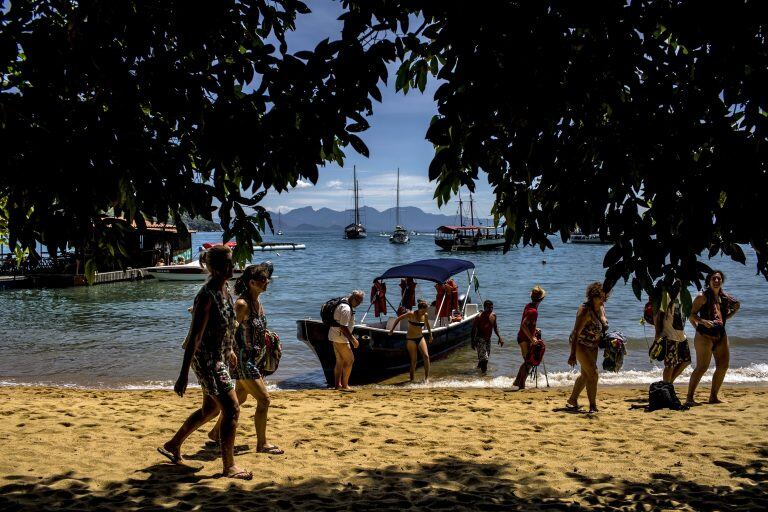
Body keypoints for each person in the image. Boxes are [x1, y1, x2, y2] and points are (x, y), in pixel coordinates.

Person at [158, 245, 252, 480]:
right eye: (228, 263)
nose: (232, 267)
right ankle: (229, 466)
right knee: (231, 409)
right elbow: (195, 337)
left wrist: (229, 349)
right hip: (207, 360)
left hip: (219, 356)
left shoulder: (225, 289)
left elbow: (228, 325)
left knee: (210, 408)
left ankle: (172, 444)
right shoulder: (206, 295)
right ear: (216, 268)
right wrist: (183, 375)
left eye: (232, 262)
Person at [207, 263, 283, 454]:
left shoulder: (258, 303)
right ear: (252, 282)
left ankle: (215, 433)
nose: (267, 282)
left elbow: (256, 329)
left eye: (267, 279)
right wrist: (230, 351)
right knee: (264, 400)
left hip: (255, 358)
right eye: (263, 279)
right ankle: (262, 444)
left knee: (240, 397)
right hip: (242, 360)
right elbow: (229, 330)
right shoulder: (242, 304)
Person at [686, 270, 741, 405]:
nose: (716, 281)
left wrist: (729, 315)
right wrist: (703, 322)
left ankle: (713, 397)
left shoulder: (725, 298)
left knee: (723, 366)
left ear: (722, 281)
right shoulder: (702, 297)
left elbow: (734, 307)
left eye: (719, 279)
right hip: (704, 335)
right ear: (709, 281)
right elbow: (690, 314)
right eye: (713, 278)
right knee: (702, 367)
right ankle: (689, 398)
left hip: (720, 334)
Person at [566, 282, 608, 413]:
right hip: (580, 344)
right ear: (593, 297)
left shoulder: (600, 307)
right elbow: (575, 333)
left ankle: (572, 400)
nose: (603, 300)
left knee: (585, 374)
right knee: (594, 374)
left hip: (593, 345)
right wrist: (572, 354)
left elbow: (603, 322)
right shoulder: (584, 311)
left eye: (605, 298)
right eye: (601, 298)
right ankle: (593, 406)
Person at [653, 281, 691, 385]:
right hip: (669, 336)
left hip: (681, 336)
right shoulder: (667, 295)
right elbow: (658, 315)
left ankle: (668, 385)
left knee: (686, 361)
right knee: (669, 365)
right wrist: (658, 333)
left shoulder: (685, 295)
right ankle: (666, 387)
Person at [389, 299, 434, 381]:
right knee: (414, 360)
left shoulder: (425, 315)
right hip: (411, 339)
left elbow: (427, 325)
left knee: (426, 356)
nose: (425, 312)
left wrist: (431, 335)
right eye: (424, 311)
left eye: (426, 310)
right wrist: (392, 330)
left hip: (420, 337)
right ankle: (411, 380)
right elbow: (398, 319)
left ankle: (426, 379)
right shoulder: (411, 314)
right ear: (420, 309)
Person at [329, 290, 364, 391]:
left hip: (334, 336)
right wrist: (353, 340)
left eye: (360, 301)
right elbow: (343, 327)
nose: (358, 303)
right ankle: (345, 385)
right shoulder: (346, 309)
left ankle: (337, 385)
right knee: (350, 360)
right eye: (357, 300)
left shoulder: (343, 301)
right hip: (341, 338)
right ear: (352, 297)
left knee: (340, 361)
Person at [513, 286, 546, 388]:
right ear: (541, 299)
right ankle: (521, 384)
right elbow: (523, 325)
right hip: (524, 339)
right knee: (529, 362)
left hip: (524, 337)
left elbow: (529, 324)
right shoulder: (533, 311)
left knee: (528, 362)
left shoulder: (529, 306)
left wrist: (534, 330)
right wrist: (532, 339)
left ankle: (518, 382)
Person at [471, 299, 504, 374]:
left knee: (485, 357)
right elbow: (473, 330)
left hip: (488, 340)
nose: (490, 309)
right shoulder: (479, 317)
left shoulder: (493, 316)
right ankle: (484, 376)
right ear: (484, 307)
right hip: (480, 339)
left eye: (492, 308)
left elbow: (495, 328)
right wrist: (472, 342)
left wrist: (500, 337)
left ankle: (478, 370)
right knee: (485, 359)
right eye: (489, 308)